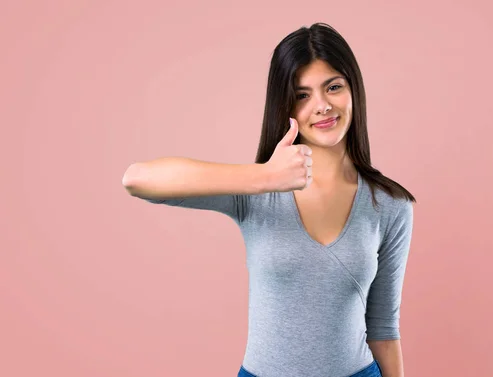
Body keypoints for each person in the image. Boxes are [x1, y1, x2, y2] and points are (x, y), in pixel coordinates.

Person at [122, 22, 416, 377]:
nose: (321, 106)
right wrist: (263, 178)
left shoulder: (390, 205)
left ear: (354, 90)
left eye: (333, 87)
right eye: (302, 94)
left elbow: (383, 328)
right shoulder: (255, 194)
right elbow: (137, 179)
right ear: (285, 104)